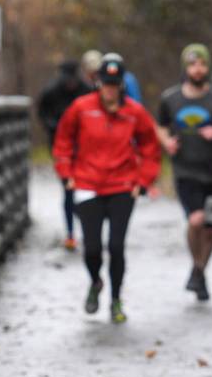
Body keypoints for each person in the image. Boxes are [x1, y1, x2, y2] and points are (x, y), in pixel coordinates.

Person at [53, 53, 161, 324]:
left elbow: (150, 146)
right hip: (87, 184)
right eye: (106, 83)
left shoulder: (134, 112)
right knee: (91, 248)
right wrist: (66, 174)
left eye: (115, 84)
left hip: (122, 186)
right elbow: (63, 140)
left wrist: (143, 181)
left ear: (122, 84)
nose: (110, 89)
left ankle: (115, 299)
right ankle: (95, 282)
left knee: (116, 246)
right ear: (97, 82)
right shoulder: (80, 108)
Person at [157, 43, 212, 301]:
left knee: (209, 229)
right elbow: (160, 126)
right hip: (185, 172)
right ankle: (198, 270)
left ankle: (199, 272)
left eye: (202, 64)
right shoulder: (170, 98)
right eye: (193, 64)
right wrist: (166, 142)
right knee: (196, 220)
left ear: (208, 67)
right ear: (185, 67)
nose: (198, 69)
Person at [37, 60, 92, 250]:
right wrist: (53, 126)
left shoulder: (87, 89)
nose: (70, 83)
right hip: (61, 147)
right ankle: (70, 233)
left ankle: (88, 226)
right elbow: (42, 112)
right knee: (68, 189)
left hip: (84, 148)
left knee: (85, 188)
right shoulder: (51, 91)